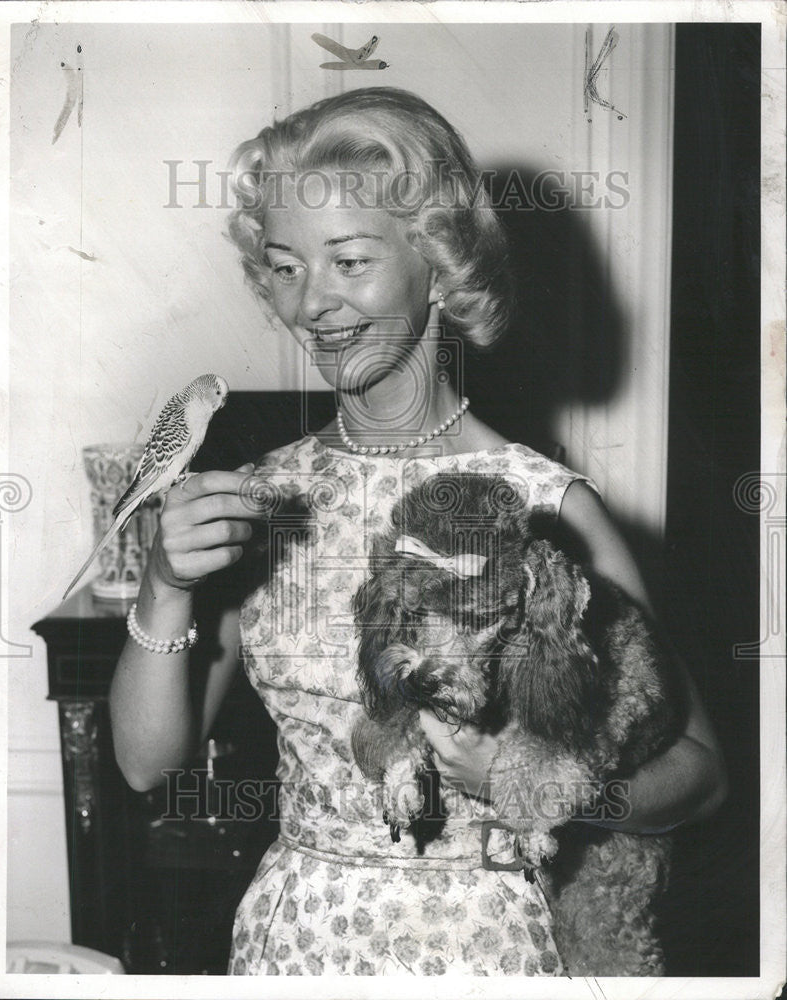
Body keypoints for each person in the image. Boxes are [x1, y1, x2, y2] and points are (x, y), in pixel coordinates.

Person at [109, 87, 727, 976]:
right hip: (300, 938)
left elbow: (699, 778)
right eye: (285, 267)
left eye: (348, 262)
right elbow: (144, 765)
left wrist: (550, 788)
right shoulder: (265, 496)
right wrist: (164, 587)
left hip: (497, 945)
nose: (312, 304)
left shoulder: (546, 504)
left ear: (437, 264)